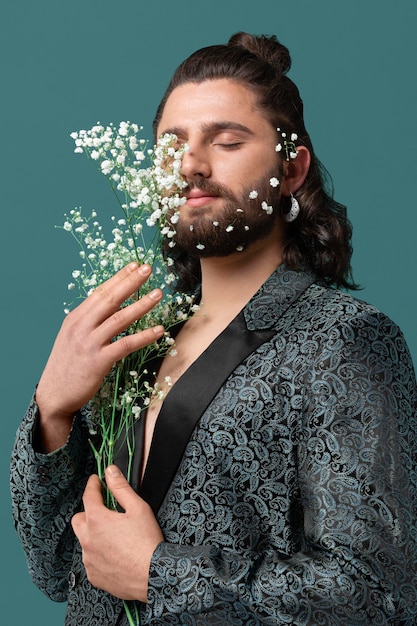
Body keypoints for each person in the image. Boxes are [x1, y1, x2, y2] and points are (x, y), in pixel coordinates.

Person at [10, 31, 417, 625]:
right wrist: (52, 411)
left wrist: (160, 573)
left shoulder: (344, 339)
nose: (192, 166)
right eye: (172, 146)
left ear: (293, 166)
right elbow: (58, 568)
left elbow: (378, 597)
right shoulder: (136, 345)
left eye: (226, 142)